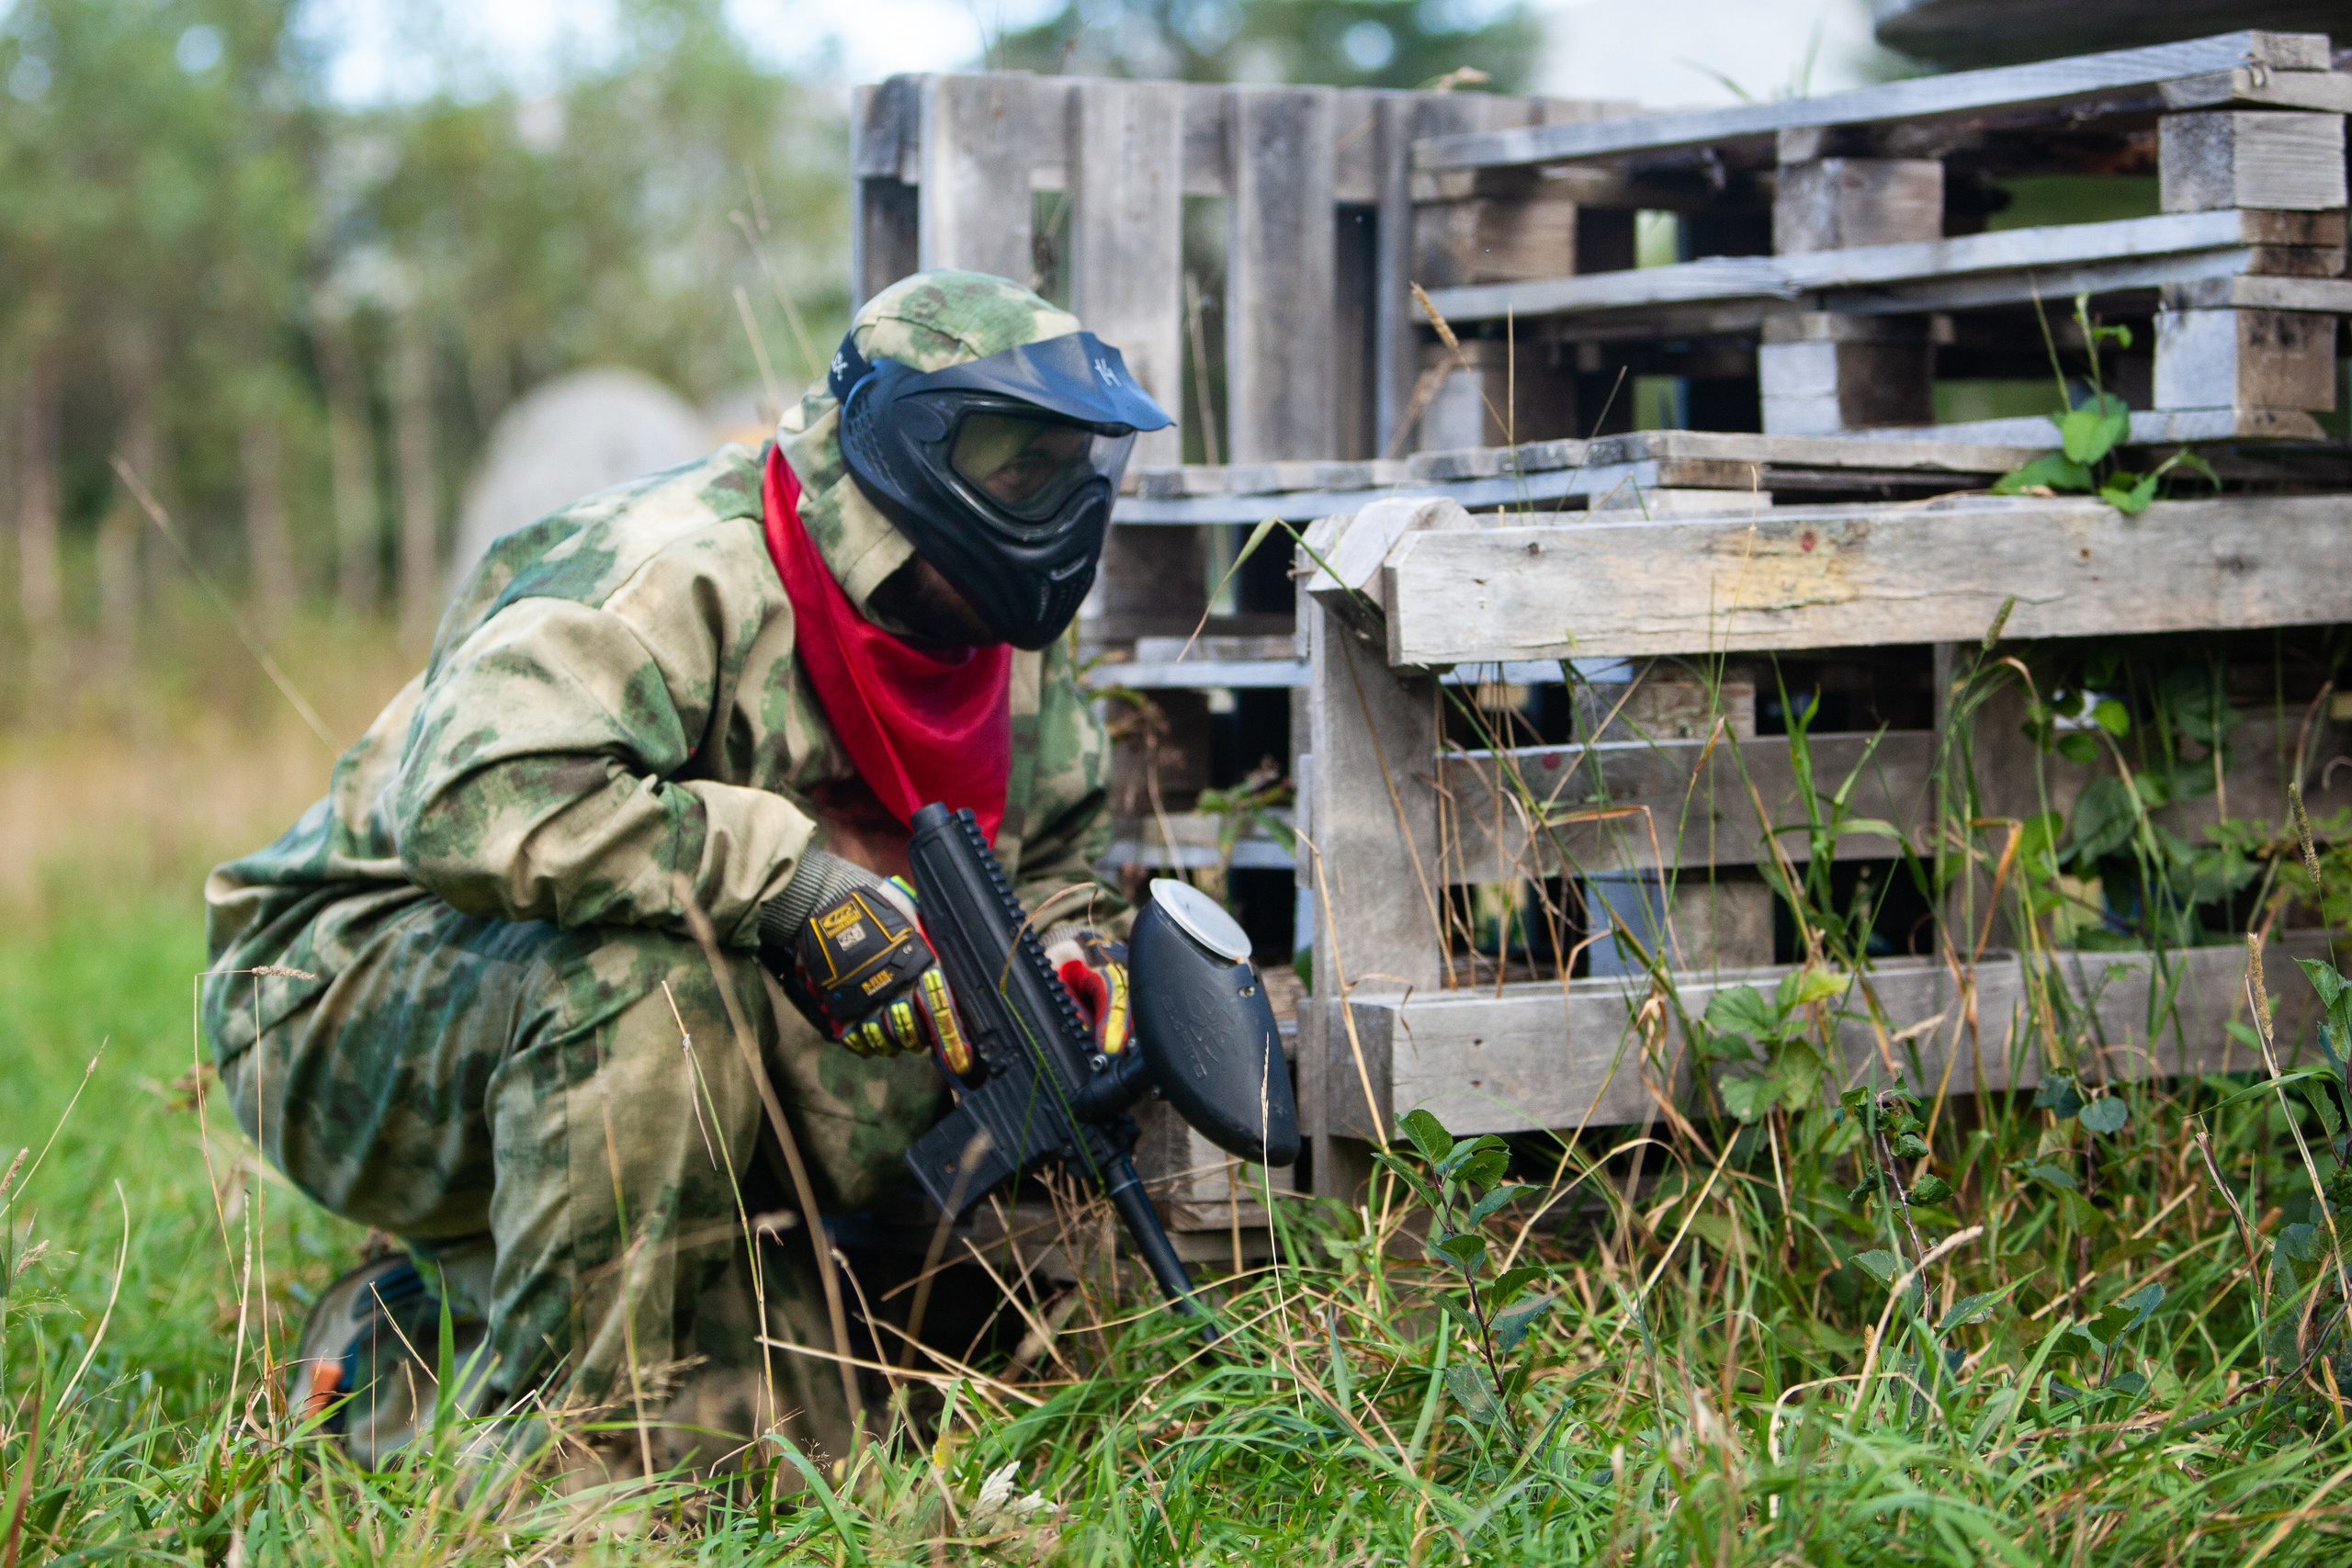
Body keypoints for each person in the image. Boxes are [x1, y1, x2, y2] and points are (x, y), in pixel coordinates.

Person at [200, 270, 1172, 1473]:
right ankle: (563, 1486)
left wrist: (1069, 952)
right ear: (914, 444)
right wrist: (788, 877)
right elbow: (466, 805)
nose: (1065, 508)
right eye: (1023, 467)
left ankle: (407, 1334)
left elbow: (1056, 850)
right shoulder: (678, 566)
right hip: (350, 1003)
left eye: (1081, 470)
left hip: (658, 1058)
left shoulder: (995, 632)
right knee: (657, 984)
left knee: (809, 1423)